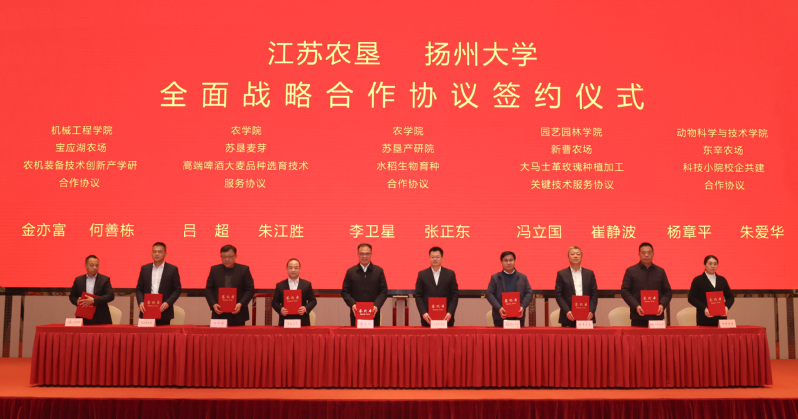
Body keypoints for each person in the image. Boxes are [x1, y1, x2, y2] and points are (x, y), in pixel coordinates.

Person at [621, 242, 673, 327]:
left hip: (657, 316)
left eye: (649, 252)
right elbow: (625, 291)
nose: (646, 255)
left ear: (653, 254)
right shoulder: (631, 271)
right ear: (639, 254)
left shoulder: (660, 271)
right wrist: (636, 306)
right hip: (638, 316)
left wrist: (662, 305)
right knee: (638, 336)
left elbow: (668, 292)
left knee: (657, 336)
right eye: (643, 253)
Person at [204, 244, 255, 326]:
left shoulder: (244, 270)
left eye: (230, 256)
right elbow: (209, 289)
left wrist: (241, 304)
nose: (227, 259)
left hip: (238, 313)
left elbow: (250, 290)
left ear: (235, 256)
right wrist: (213, 304)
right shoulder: (215, 270)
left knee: (237, 334)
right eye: (224, 257)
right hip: (219, 313)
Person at [341, 243, 388, 326]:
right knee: (356, 334)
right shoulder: (351, 272)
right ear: (358, 255)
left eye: (367, 254)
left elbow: (383, 291)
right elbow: (345, 292)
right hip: (356, 312)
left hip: (373, 312)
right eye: (362, 254)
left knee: (373, 334)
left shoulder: (378, 271)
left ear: (371, 254)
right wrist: (353, 304)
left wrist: (376, 305)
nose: (364, 256)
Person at [135, 242, 182, 325]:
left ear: (165, 254)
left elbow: (177, 290)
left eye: (160, 252)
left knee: (162, 333)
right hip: (146, 310)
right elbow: (139, 289)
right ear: (151, 253)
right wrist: (141, 302)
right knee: (146, 333)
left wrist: (168, 303)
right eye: (154, 252)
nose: (156, 254)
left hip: (164, 311)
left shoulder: (172, 269)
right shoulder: (145, 268)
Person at [414, 246, 459, 327]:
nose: (435, 259)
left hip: (446, 317)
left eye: (437, 257)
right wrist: (424, 313)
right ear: (429, 258)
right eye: (432, 257)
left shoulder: (450, 274)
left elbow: (455, 295)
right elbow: (418, 296)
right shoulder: (422, 274)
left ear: (442, 258)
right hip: (428, 318)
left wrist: (450, 312)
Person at [486, 251, 533, 327]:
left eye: (511, 260)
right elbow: (489, 294)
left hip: (518, 316)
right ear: (501, 262)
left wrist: (522, 306)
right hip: (500, 317)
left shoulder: (523, 277)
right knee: (500, 335)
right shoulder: (495, 278)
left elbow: (529, 293)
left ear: (515, 261)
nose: (508, 263)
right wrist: (499, 308)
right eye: (506, 260)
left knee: (517, 335)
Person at [554, 246, 598, 327]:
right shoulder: (562, 274)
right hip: (568, 317)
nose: (575, 256)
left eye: (578, 254)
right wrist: (567, 311)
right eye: (572, 254)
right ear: (568, 257)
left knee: (586, 336)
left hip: (587, 316)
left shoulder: (589, 274)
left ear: (581, 257)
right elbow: (559, 295)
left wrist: (591, 311)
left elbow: (594, 294)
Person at [688, 255, 735, 326]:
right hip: (704, 319)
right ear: (704, 265)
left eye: (715, 264)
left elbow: (730, 297)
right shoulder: (698, 280)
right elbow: (691, 298)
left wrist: (726, 307)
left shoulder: (722, 280)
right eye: (710, 264)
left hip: (721, 319)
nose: (713, 266)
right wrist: (704, 308)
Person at [69, 255, 115, 325]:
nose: (95, 267)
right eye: (92, 265)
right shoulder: (78, 280)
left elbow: (110, 296)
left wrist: (93, 300)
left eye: (97, 265)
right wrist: (77, 301)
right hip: (83, 315)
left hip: (101, 316)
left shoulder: (105, 279)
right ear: (86, 266)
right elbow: (72, 296)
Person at [272, 258, 318, 326]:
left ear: (300, 269)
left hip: (302, 321)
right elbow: (274, 302)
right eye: (290, 268)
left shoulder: (306, 284)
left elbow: (313, 301)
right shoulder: (280, 285)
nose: (293, 270)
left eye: (296, 268)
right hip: (285, 320)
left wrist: (305, 308)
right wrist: (280, 309)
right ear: (286, 269)